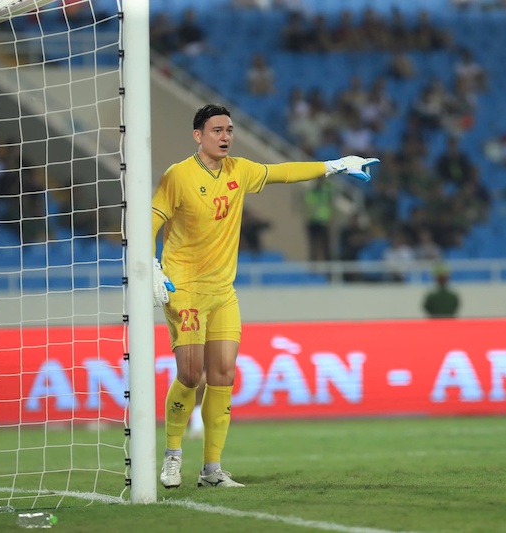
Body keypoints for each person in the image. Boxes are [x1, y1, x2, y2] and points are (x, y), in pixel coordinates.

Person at [151, 104, 378, 489]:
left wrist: (335, 165)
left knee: (222, 376)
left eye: (229, 129)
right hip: (185, 288)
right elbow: (150, 221)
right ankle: (172, 456)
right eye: (216, 130)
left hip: (223, 292)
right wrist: (152, 268)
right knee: (190, 373)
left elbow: (283, 173)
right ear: (198, 136)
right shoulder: (178, 176)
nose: (225, 136)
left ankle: (211, 470)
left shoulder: (240, 170)